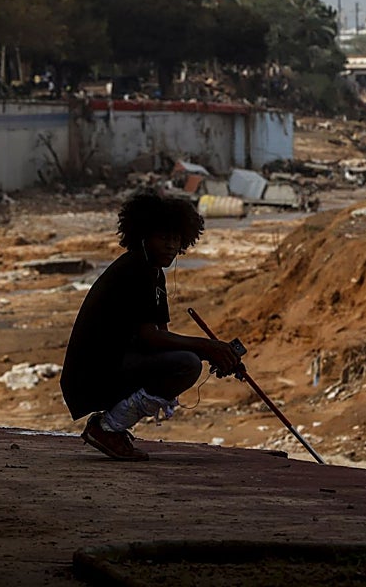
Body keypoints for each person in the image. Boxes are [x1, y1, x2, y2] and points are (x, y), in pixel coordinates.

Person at [60, 190, 242, 461]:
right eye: (163, 237)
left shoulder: (153, 272)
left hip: (112, 363)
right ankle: (107, 428)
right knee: (188, 364)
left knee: (186, 359)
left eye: (176, 238)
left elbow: (161, 337)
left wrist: (215, 352)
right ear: (144, 236)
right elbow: (150, 339)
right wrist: (207, 348)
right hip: (93, 372)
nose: (171, 245)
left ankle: (111, 427)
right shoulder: (135, 270)